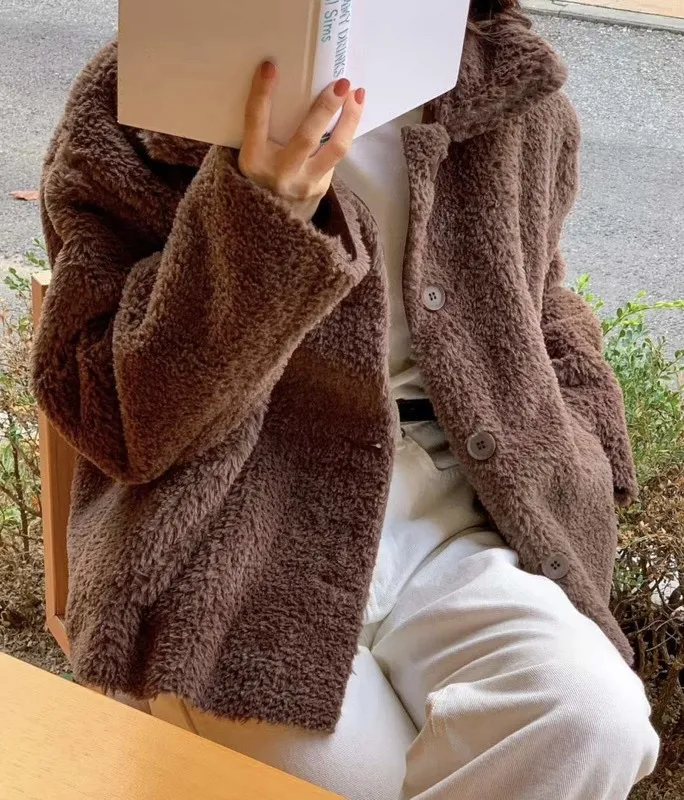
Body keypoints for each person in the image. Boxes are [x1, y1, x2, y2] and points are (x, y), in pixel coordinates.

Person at [33, 0, 659, 798]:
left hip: (458, 515)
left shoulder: (512, 91)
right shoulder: (147, 91)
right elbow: (113, 410)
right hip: (233, 513)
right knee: (363, 784)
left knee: (589, 721)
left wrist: (590, 434)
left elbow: (542, 297)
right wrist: (260, 212)